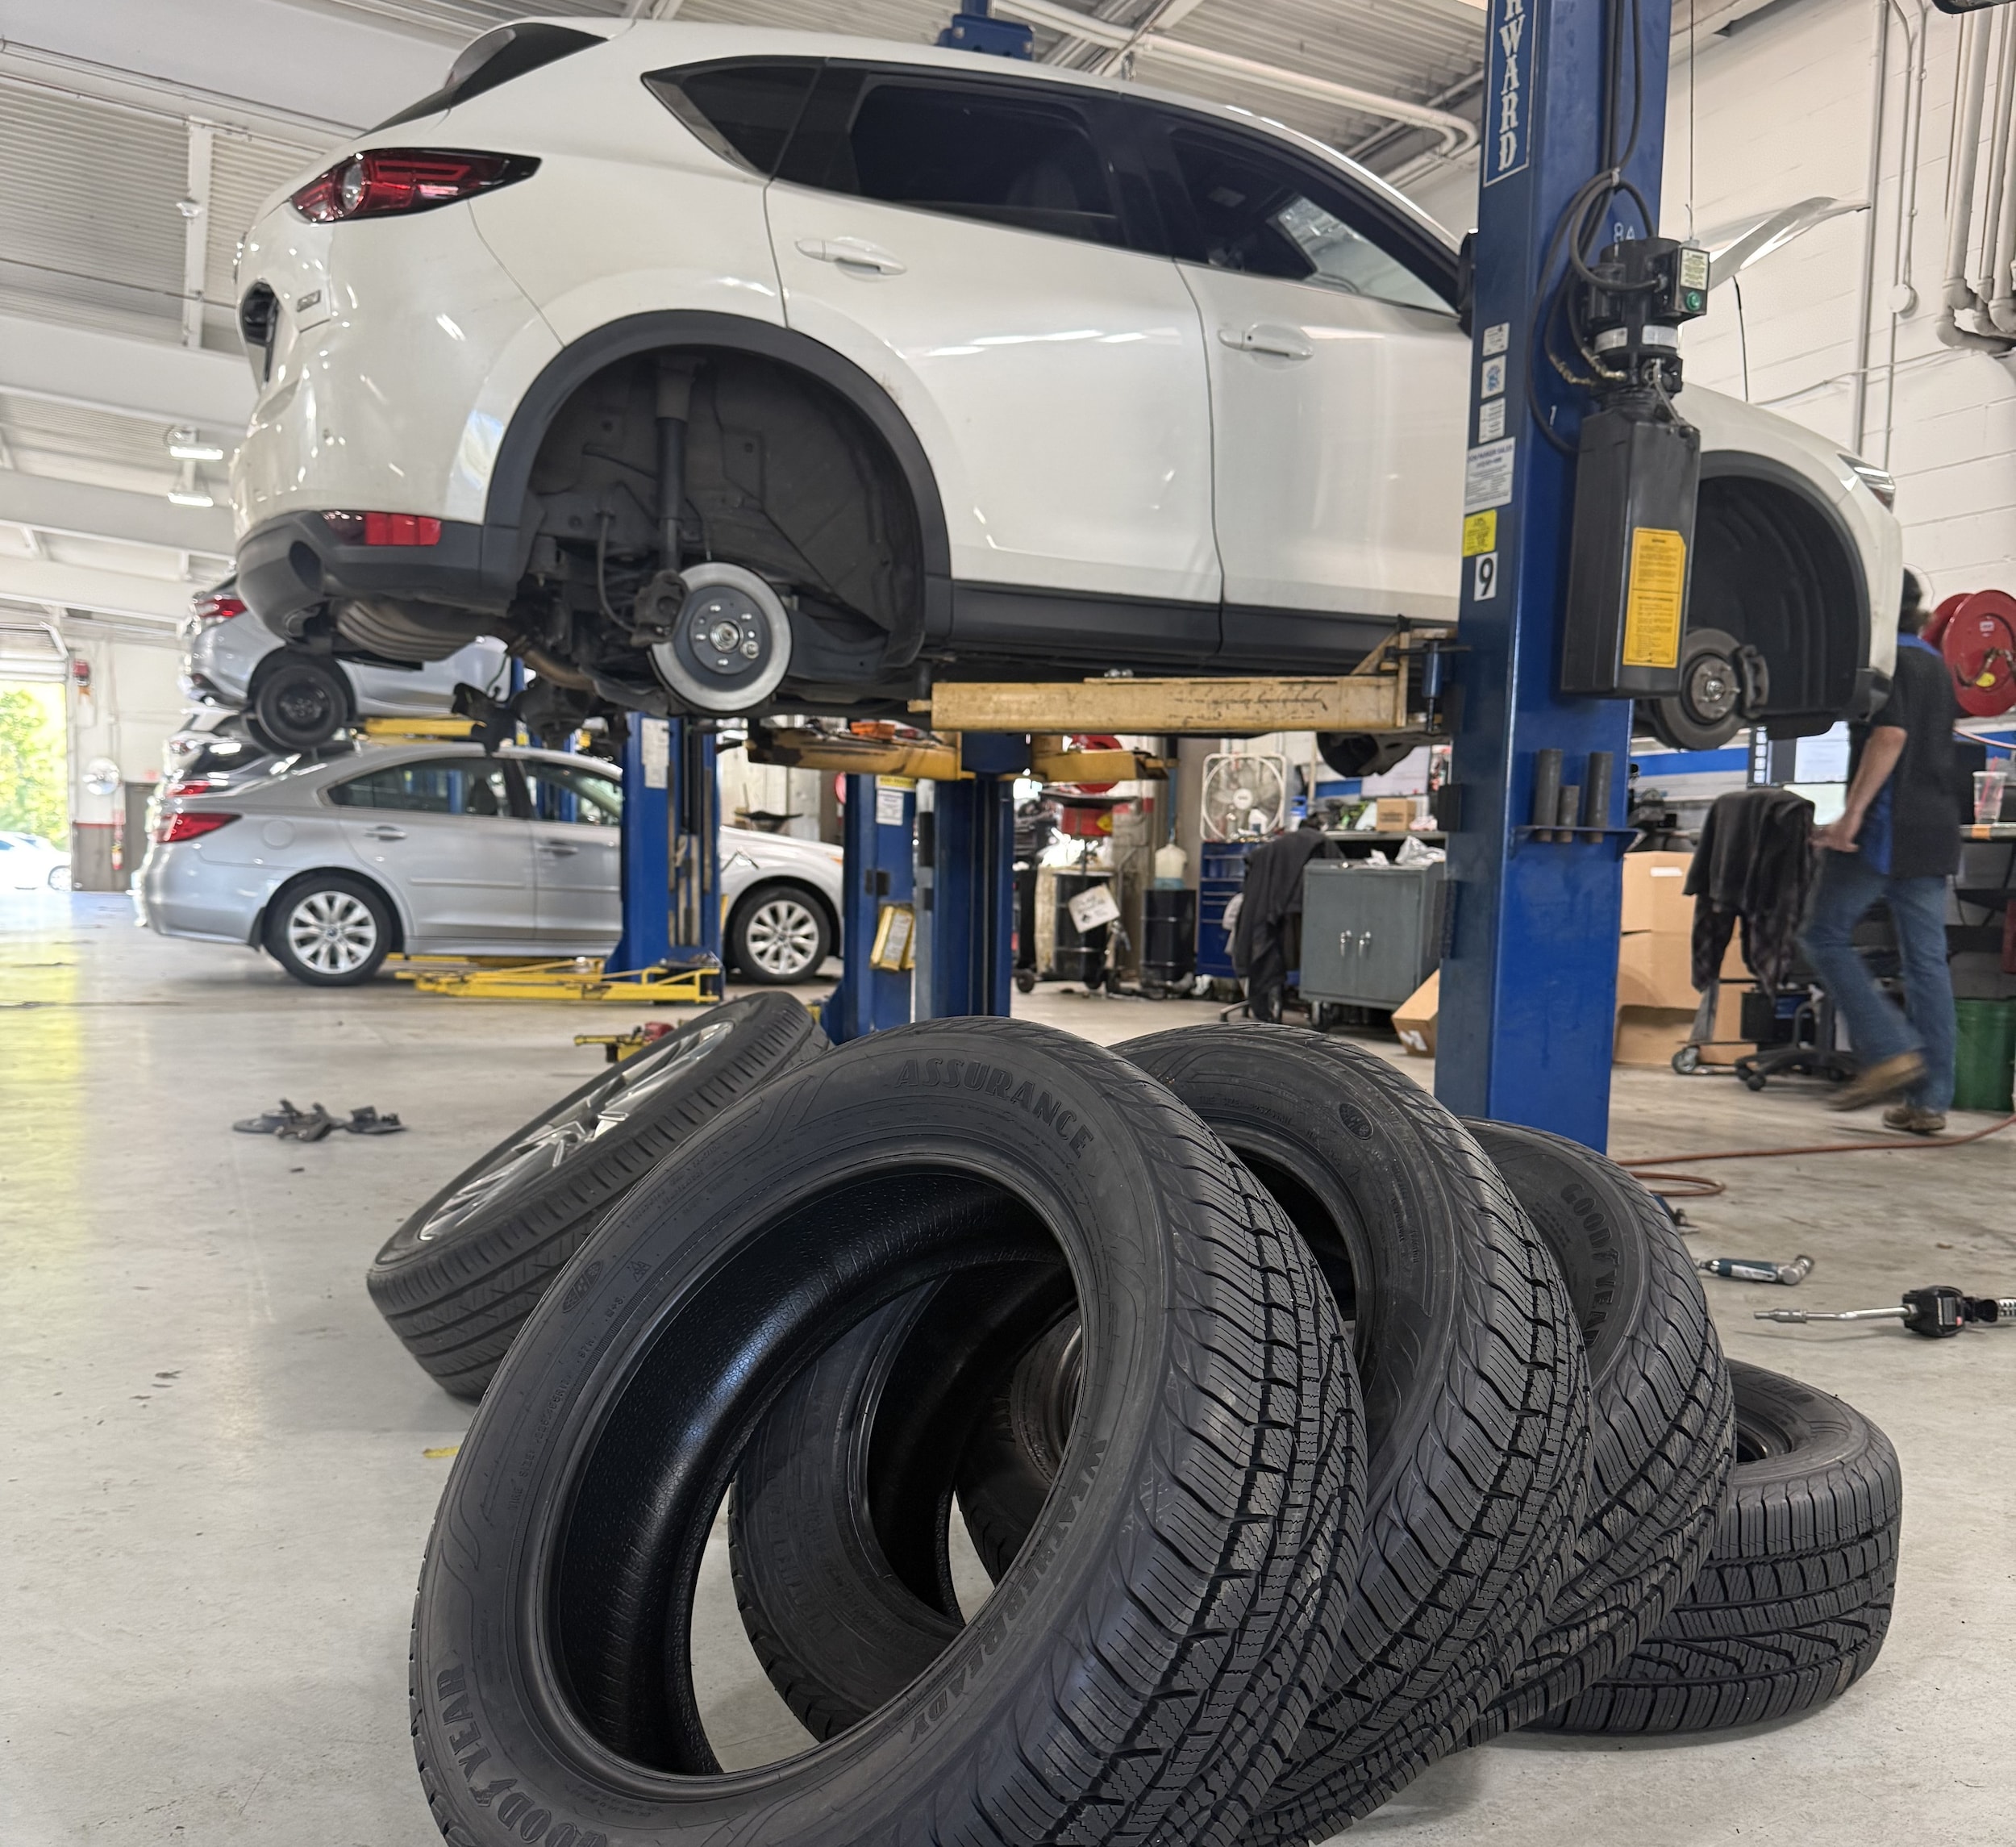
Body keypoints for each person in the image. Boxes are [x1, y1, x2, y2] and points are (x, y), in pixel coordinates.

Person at [1800, 569, 1960, 1132]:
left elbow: (1890, 737)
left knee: (1822, 934)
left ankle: (1891, 1050)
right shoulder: (1936, 664)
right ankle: (1930, 1101)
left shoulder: (1889, 664)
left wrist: (1852, 815)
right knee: (1926, 963)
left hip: (1888, 829)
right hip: (1937, 830)